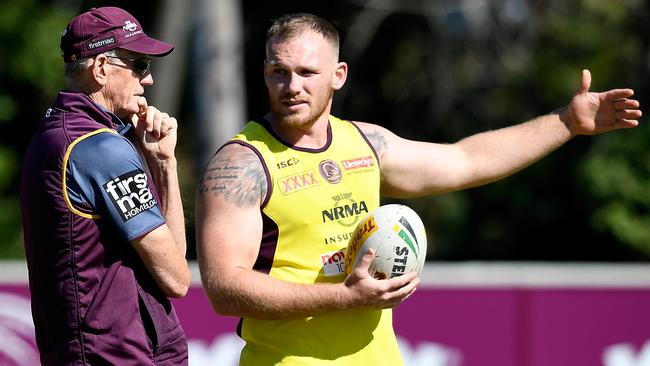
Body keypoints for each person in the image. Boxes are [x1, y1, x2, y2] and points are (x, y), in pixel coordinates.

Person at [195, 12, 642, 365]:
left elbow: (466, 160)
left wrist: (566, 122)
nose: (292, 86)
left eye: (307, 72)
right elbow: (223, 288)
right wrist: (342, 298)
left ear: (339, 75)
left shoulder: (365, 144)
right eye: (279, 71)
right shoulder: (241, 165)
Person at [20, 7, 190, 365]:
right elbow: (176, 279)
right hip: (119, 355)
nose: (148, 80)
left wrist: (163, 162)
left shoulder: (56, 133)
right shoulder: (100, 149)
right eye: (140, 65)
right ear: (101, 69)